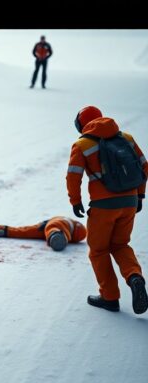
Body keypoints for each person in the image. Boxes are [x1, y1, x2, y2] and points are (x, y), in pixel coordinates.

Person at [66, 105, 148, 313]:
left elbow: (73, 176)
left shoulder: (82, 144)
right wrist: (139, 194)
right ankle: (135, 277)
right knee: (121, 245)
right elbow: (144, 167)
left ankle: (109, 297)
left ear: (81, 124)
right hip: (129, 202)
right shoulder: (126, 138)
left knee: (99, 250)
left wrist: (75, 201)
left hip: (103, 206)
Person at [0, 213, 86, 251]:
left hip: (57, 227)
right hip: (50, 227)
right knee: (19, 231)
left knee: (54, 227)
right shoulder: (72, 226)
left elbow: (57, 224)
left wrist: (55, 233)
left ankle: (56, 236)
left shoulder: (72, 224)